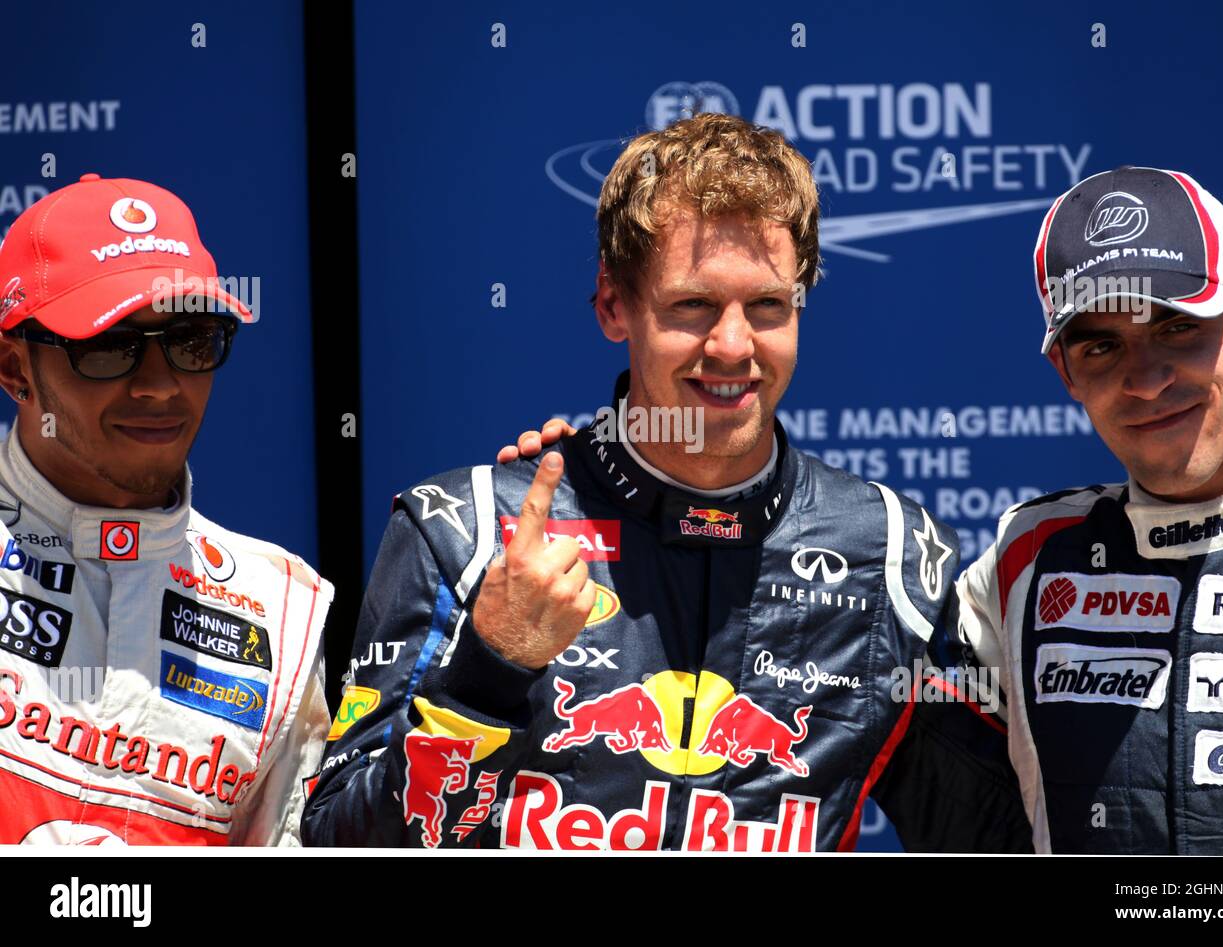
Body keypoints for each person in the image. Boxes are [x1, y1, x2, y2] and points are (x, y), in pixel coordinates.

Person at [302, 114, 1030, 851]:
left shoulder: (891, 559)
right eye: (694, 305)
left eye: (768, 305)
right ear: (614, 305)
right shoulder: (465, 529)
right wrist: (488, 668)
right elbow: (341, 842)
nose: (734, 345)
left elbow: (1003, 834)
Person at [952, 166, 1223, 854]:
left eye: (1177, 326)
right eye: (1102, 345)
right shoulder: (1024, 562)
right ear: (1065, 372)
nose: (1146, 380)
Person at [0, 174, 332, 845]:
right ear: (15, 370)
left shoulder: (282, 609)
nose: (158, 385)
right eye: (109, 345)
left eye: (190, 340)